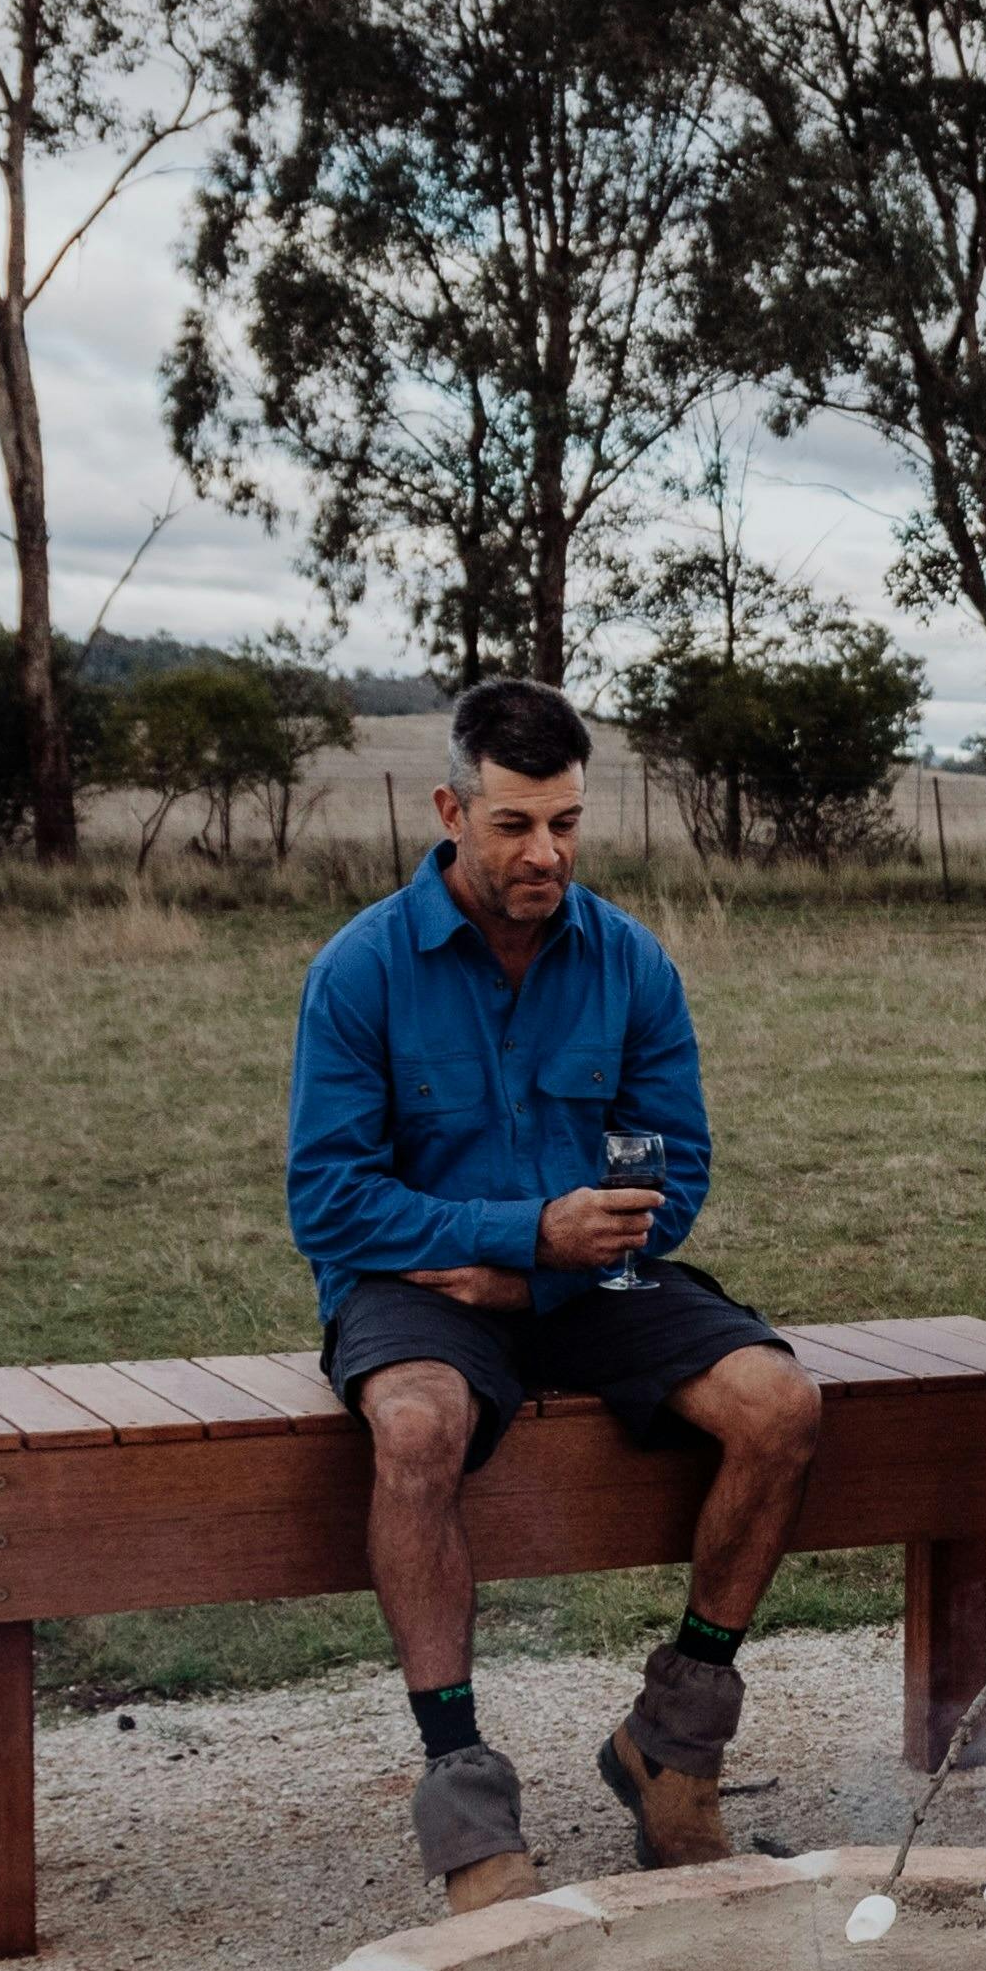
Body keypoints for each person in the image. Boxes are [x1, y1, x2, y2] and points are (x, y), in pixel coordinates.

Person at [283, 676, 827, 1896]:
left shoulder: (629, 963)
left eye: (566, 823)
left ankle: (674, 1744)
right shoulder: (361, 968)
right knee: (416, 1424)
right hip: (420, 1288)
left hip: (594, 1280)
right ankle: (465, 1794)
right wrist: (522, 1227)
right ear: (448, 809)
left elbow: (671, 1167)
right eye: (514, 823)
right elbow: (328, 1198)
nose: (545, 852)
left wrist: (570, 1255)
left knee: (780, 1406)